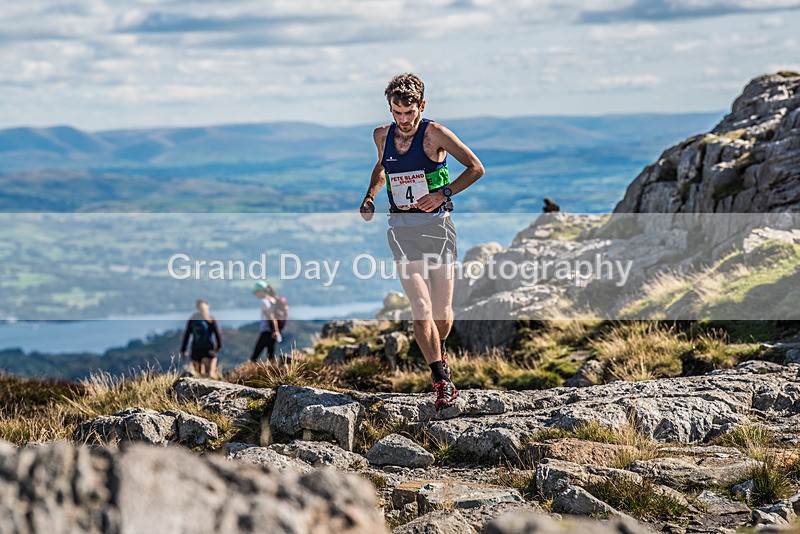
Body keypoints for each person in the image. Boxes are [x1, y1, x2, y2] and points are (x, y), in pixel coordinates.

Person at [359, 73, 485, 410]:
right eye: (397, 113)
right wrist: (370, 197)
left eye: (409, 113)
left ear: (422, 106)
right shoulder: (382, 135)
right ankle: (441, 380)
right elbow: (382, 167)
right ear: (390, 109)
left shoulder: (435, 134)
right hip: (402, 230)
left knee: (442, 314)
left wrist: (443, 193)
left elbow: (476, 168)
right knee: (421, 307)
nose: (403, 120)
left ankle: (440, 352)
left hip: (438, 227)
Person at [180, 299, 222, 378]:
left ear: (197, 307)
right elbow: (218, 334)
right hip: (208, 349)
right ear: (208, 307)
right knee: (211, 374)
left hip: (195, 350)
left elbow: (186, 335)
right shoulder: (210, 319)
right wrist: (218, 346)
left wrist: (183, 350)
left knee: (198, 376)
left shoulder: (192, 319)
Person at [250, 281, 282, 363]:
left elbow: (271, 317)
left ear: (261, 291)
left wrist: (275, 330)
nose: (255, 294)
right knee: (270, 355)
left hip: (267, 331)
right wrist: (276, 330)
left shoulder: (264, 302)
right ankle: (273, 369)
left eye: (256, 292)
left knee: (254, 356)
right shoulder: (273, 300)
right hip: (273, 331)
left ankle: (253, 370)